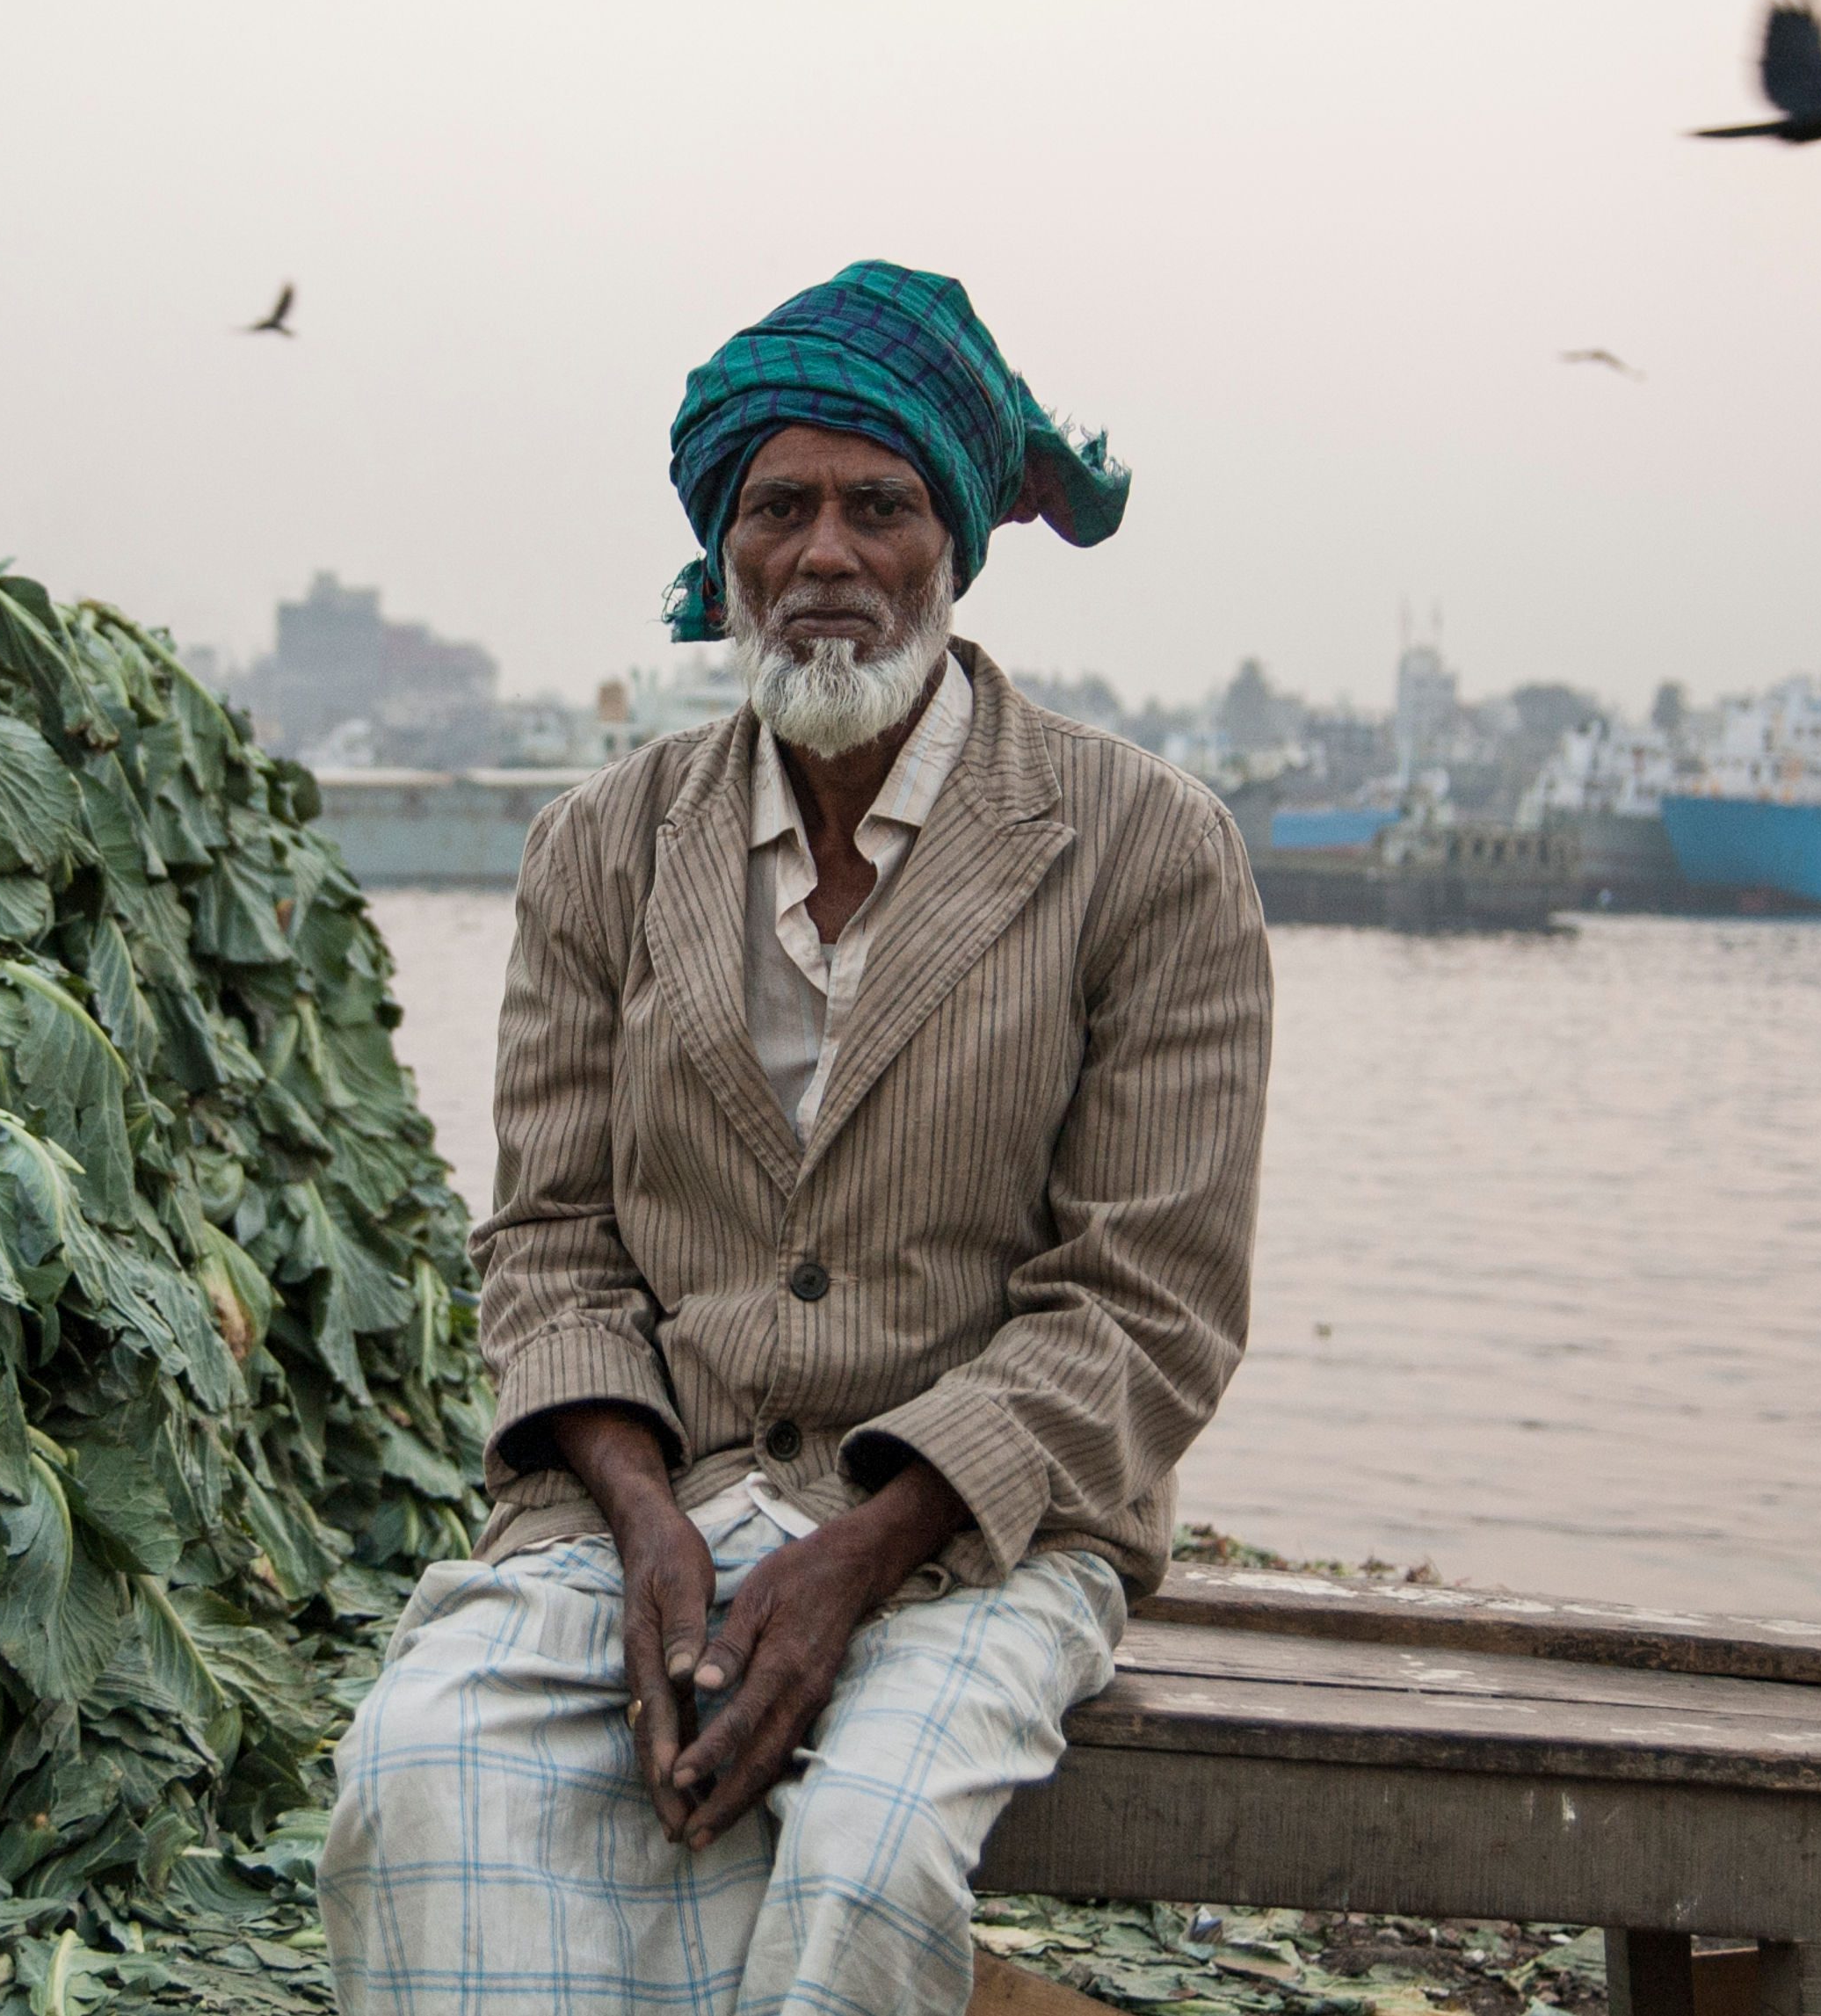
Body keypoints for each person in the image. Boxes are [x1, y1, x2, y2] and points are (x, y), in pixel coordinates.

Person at [322, 261, 1272, 2016]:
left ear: (955, 544)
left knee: (861, 1857)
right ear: (730, 552)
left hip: (978, 1528)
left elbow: (1150, 1301)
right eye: (781, 506)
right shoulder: (605, 847)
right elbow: (550, 1246)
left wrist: (856, 1551)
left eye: (880, 503)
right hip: (646, 1500)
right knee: (422, 1777)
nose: (828, 550)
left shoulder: (1144, 848)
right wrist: (641, 1516)